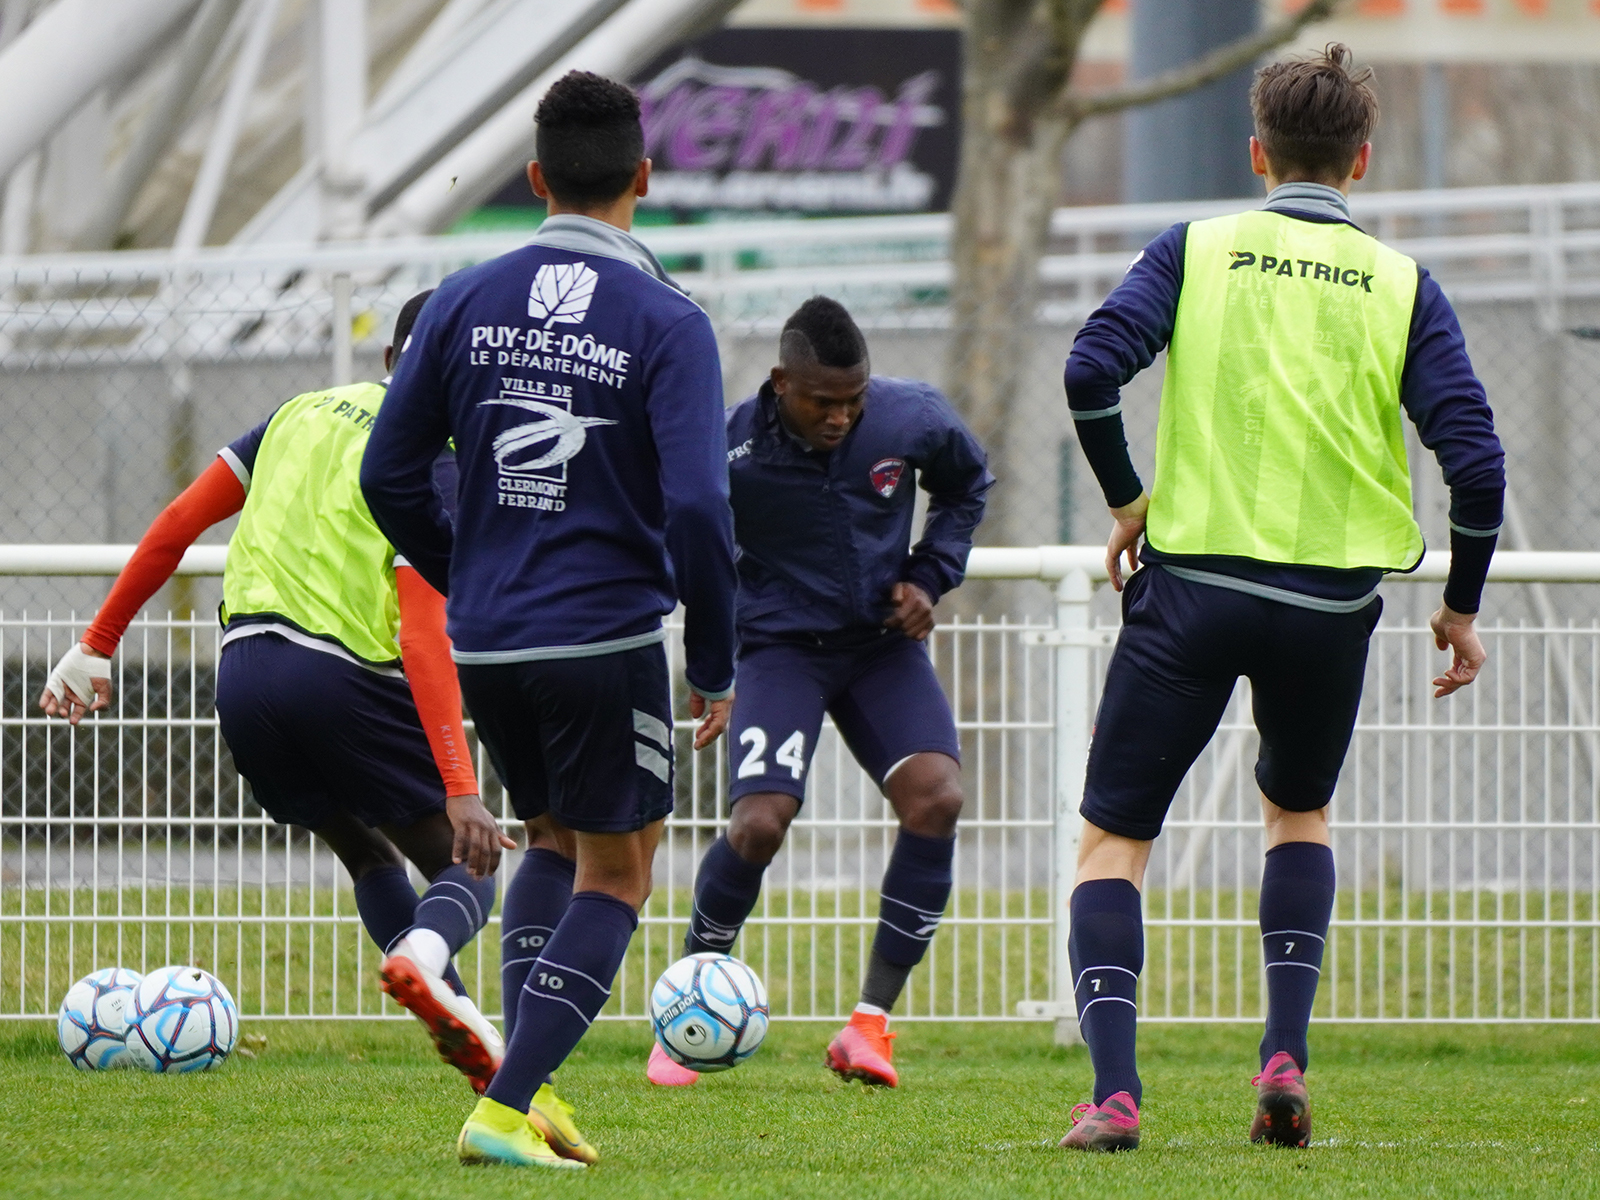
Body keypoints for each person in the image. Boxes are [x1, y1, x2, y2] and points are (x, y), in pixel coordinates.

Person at [1058, 44, 1504, 1151]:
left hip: (1194, 586)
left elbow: (1086, 371)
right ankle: (1282, 1064)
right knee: (1295, 816)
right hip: (1329, 607)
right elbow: (1478, 466)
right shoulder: (1403, 284)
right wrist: (1459, 604)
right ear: (1359, 161)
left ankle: (1116, 1095)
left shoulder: (1196, 249)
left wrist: (1128, 502)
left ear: (1256, 154)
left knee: (1114, 840)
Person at [360, 70, 737, 1171]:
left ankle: (538, 1093)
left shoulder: (466, 295)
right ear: (644, 180)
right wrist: (713, 659)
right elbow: (703, 505)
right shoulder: (668, 317)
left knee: (554, 842)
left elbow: (389, 472)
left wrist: (467, 565)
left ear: (535, 179)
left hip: (488, 637)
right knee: (621, 874)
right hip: (605, 637)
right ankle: (500, 1107)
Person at [38, 292, 519, 1097]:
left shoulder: (296, 415)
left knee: (366, 851)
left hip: (244, 678)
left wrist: (97, 643)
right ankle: (430, 973)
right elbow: (421, 634)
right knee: (466, 868)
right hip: (341, 679)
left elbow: (177, 522)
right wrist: (464, 787)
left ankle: (457, 1018)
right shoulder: (432, 458)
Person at [644, 296, 992, 1089]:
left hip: (878, 649)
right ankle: (688, 1004)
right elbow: (683, 534)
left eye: (853, 402)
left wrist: (928, 576)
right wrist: (715, 665)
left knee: (937, 799)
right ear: (780, 385)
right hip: (779, 650)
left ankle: (869, 1026)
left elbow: (968, 485)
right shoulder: (728, 444)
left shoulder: (910, 418)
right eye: (822, 402)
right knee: (760, 822)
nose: (840, 417)